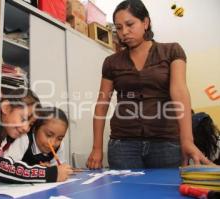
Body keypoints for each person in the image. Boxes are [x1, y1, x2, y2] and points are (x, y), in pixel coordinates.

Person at [87, 0, 211, 169]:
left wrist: (187, 140)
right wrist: (96, 148)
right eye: (119, 27)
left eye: (130, 24)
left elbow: (179, 92)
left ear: (145, 22)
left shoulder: (172, 51)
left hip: (166, 144)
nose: (124, 32)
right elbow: (102, 105)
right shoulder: (111, 62)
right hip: (123, 146)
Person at [4, 107, 68, 167]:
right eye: (49, 135)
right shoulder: (24, 139)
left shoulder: (60, 146)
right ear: (35, 129)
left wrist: (53, 169)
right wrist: (39, 171)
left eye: (60, 138)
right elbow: (6, 166)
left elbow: (58, 169)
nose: (53, 143)